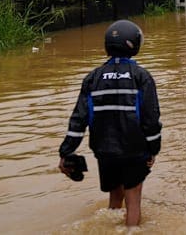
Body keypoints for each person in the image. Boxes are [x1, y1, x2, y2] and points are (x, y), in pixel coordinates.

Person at [58, 19, 162, 227]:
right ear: (135, 44)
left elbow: (78, 119)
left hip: (105, 151)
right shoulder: (142, 77)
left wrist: (65, 152)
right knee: (133, 203)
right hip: (134, 150)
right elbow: (151, 119)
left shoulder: (92, 78)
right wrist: (153, 149)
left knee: (115, 199)